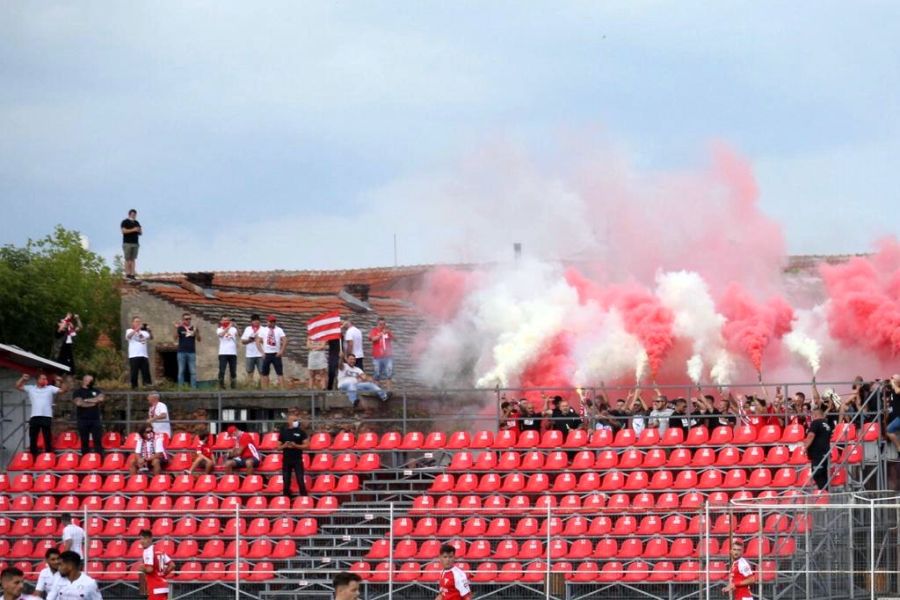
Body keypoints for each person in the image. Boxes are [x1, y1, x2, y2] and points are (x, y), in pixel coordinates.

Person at [16, 372, 67, 455]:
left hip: (46, 416)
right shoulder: (31, 388)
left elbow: (64, 390)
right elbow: (17, 386)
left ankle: (48, 455)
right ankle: (33, 456)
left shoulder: (50, 388)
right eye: (43, 379)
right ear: (38, 380)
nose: (45, 380)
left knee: (47, 437)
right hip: (35, 416)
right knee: (33, 437)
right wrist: (23, 379)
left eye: (46, 379)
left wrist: (61, 381)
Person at [279, 408, 309, 498]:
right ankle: (286, 497)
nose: (296, 422)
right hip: (286, 460)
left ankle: (304, 496)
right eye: (294, 420)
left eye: (297, 420)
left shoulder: (301, 432)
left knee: (300, 478)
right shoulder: (283, 433)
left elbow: (307, 445)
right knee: (286, 480)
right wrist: (285, 445)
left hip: (297, 459)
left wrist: (296, 446)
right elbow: (278, 446)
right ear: (289, 421)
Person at [72, 375, 104, 457]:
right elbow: (79, 403)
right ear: (85, 381)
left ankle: (99, 458)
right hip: (83, 420)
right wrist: (94, 402)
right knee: (84, 441)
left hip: (95, 419)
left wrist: (86, 400)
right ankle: (85, 459)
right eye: (90, 380)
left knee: (97, 440)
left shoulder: (96, 391)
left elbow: (101, 399)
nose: (92, 382)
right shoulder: (78, 392)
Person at [139, 530, 174, 600]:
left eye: (144, 538)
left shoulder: (147, 551)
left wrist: (143, 569)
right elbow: (172, 565)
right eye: (141, 538)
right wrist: (163, 575)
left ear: (150, 539)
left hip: (155, 586)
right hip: (163, 586)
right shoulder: (159, 550)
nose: (142, 541)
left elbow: (150, 569)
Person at [805, 404, 832, 491]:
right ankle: (826, 494)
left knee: (817, 474)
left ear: (815, 415)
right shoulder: (827, 424)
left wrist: (805, 447)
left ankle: (824, 494)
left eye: (813, 415)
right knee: (823, 474)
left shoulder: (816, 423)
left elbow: (811, 435)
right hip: (825, 452)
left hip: (818, 453)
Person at [256, 315, 287, 389]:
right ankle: (265, 390)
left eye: (273, 322)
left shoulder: (279, 330)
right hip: (267, 353)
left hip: (276, 353)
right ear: (267, 322)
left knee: (279, 372)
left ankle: (283, 390)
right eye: (270, 322)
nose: (272, 323)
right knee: (265, 373)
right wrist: (262, 352)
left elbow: (285, 340)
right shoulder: (263, 330)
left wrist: (281, 351)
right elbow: (258, 341)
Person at [173, 313, 200, 388]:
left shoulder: (193, 328)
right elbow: (175, 338)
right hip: (181, 352)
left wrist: (196, 331)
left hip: (192, 352)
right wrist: (176, 328)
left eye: (189, 319)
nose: (188, 320)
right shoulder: (180, 328)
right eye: (186, 319)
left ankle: (193, 388)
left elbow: (199, 339)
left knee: (193, 371)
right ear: (183, 320)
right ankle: (181, 388)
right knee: (181, 371)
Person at [126, 317, 153, 389]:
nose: (138, 323)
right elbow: (128, 336)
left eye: (139, 322)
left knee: (145, 372)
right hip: (134, 355)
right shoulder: (129, 330)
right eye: (136, 322)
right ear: (133, 323)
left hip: (144, 355)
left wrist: (149, 330)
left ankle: (146, 386)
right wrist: (136, 330)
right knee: (134, 372)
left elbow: (151, 337)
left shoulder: (144, 332)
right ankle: (134, 387)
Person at [368, 317, 393, 389]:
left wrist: (389, 332)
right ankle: (377, 390)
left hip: (388, 356)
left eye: (384, 324)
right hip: (377, 356)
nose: (382, 326)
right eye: (381, 324)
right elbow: (373, 339)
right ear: (378, 324)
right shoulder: (374, 330)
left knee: (389, 373)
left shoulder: (388, 331)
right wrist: (381, 334)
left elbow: (394, 339)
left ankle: (389, 390)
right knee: (377, 373)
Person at [241, 314, 264, 385]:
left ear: (259, 321)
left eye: (257, 320)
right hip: (250, 354)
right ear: (251, 322)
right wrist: (249, 340)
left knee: (262, 372)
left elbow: (267, 342)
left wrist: (259, 339)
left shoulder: (264, 329)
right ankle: (250, 389)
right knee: (250, 372)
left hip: (260, 354)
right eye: (254, 321)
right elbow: (242, 341)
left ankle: (264, 389)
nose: (256, 322)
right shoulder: (248, 329)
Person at [216, 315, 238, 389]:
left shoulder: (233, 329)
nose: (226, 321)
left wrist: (236, 326)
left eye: (227, 320)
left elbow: (240, 335)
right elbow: (221, 334)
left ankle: (233, 386)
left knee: (233, 371)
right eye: (224, 320)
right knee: (222, 370)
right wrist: (228, 327)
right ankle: (221, 386)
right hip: (223, 353)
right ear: (221, 321)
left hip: (233, 353)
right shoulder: (219, 329)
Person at [121, 208, 142, 280]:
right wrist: (134, 229)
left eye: (135, 215)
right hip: (127, 243)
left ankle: (132, 274)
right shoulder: (125, 222)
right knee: (127, 259)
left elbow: (140, 233)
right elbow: (123, 231)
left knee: (133, 259)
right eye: (132, 214)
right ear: (129, 214)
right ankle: (127, 274)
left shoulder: (137, 222)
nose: (134, 216)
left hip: (135, 243)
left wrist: (139, 230)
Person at [885, 374, 900, 452]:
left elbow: (898, 391)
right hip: (894, 417)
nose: (891, 380)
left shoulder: (898, 389)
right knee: (888, 430)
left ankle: (899, 447)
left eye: (893, 378)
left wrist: (894, 383)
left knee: (889, 429)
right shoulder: (892, 390)